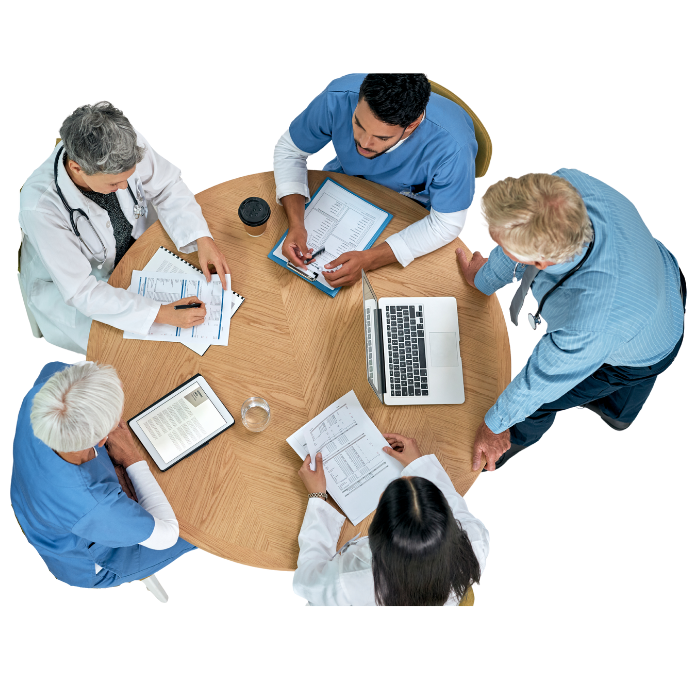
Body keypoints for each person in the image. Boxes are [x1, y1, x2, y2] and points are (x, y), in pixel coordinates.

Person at [456, 169, 687, 472]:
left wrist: (495, 428)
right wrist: (483, 279)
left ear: (540, 262)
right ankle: (619, 415)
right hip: (663, 277)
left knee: (541, 403)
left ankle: (511, 443)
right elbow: (523, 235)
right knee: (622, 397)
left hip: (648, 346)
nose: (486, 231)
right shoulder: (565, 182)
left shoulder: (590, 323)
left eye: (494, 236)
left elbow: (537, 386)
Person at [18, 101, 231, 355]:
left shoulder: (124, 143)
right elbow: (82, 292)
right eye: (114, 184)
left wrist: (200, 236)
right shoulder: (40, 207)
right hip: (80, 286)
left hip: (133, 250)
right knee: (137, 355)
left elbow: (166, 186)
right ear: (77, 168)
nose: (124, 187)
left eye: (128, 178)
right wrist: (160, 313)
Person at [273, 73, 478, 287]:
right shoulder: (336, 97)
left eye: (382, 137)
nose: (363, 143)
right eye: (358, 123)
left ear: (412, 125)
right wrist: (296, 224)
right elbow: (290, 151)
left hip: (410, 212)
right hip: (344, 181)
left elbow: (447, 224)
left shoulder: (454, 148)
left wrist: (371, 259)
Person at [10, 361, 197, 589]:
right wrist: (130, 457)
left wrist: (110, 469)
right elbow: (167, 535)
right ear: (102, 439)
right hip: (94, 559)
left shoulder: (43, 395)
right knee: (198, 528)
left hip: (33, 505)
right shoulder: (93, 504)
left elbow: (71, 368)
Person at [292, 432, 489, 607]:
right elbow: (454, 505)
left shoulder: (351, 581)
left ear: (378, 529)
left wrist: (317, 497)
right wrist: (417, 465)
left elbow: (306, 581)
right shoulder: (475, 543)